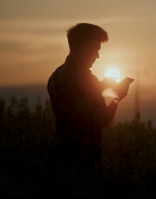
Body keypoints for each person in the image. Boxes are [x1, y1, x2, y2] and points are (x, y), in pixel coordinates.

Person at [47, 23, 131, 195]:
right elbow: (86, 118)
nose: (98, 55)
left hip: (78, 158)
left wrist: (108, 93)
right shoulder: (74, 79)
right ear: (80, 47)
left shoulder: (69, 77)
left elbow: (93, 116)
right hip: (79, 160)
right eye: (95, 49)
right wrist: (108, 94)